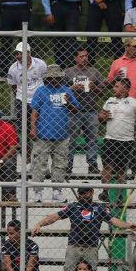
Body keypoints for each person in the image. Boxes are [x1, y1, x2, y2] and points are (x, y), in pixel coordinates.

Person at [32, 185, 136, 271]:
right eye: (80, 193)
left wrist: (129, 225)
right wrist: (39, 224)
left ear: (92, 192)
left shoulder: (100, 208)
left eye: (85, 193)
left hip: (91, 247)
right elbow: (55, 216)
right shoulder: (72, 207)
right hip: (74, 246)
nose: (82, 195)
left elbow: (113, 220)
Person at [29, 64, 77, 202]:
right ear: (47, 78)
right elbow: (35, 111)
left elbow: (75, 110)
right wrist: (33, 129)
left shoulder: (66, 90)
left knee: (60, 163)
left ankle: (57, 190)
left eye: (57, 78)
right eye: (52, 78)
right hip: (43, 134)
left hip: (62, 134)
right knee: (39, 163)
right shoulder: (41, 91)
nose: (54, 80)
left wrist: (68, 103)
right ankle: (37, 192)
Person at [99, 78, 136, 191]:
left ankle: (120, 193)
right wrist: (102, 117)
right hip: (109, 139)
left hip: (126, 141)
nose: (113, 88)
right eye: (114, 86)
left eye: (117, 86)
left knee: (121, 169)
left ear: (125, 89)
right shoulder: (109, 100)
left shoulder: (134, 102)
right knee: (107, 167)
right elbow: (101, 116)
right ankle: (105, 192)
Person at [64, 47, 106, 172]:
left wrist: (94, 87)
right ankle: (68, 165)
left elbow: (102, 92)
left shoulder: (94, 72)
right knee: (71, 139)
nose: (84, 58)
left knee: (92, 139)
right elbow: (61, 91)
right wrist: (72, 88)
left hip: (91, 110)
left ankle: (92, 165)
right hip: (73, 111)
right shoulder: (68, 72)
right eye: (81, 56)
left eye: (86, 56)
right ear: (75, 58)